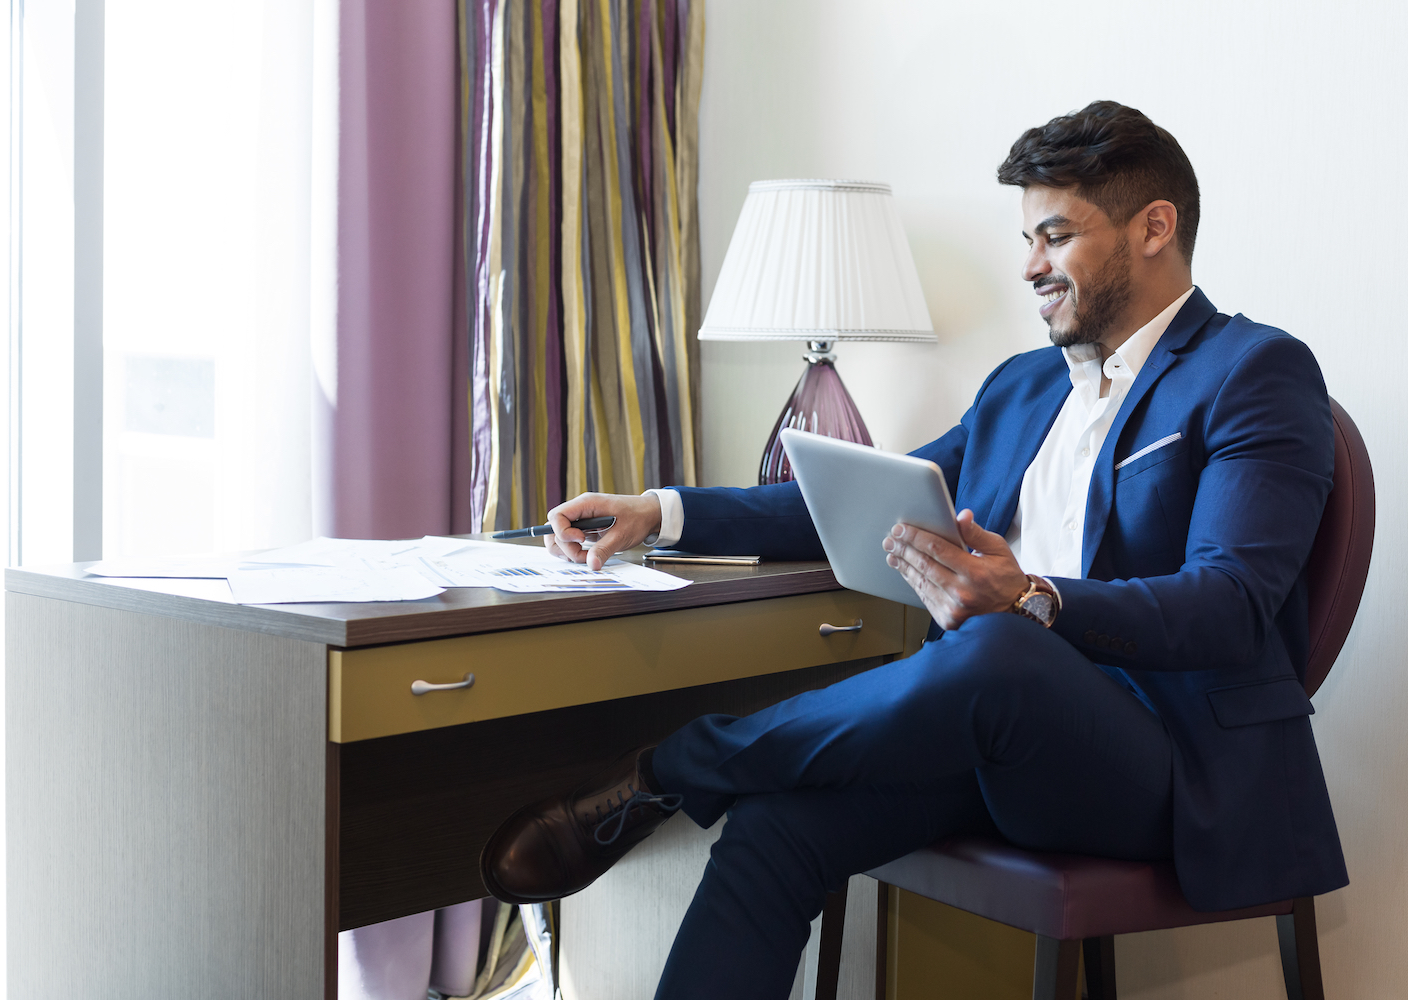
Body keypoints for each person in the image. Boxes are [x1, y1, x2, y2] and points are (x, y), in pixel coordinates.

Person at [479, 100, 1348, 999]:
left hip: (1171, 766)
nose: (1030, 267)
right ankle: (689, 777)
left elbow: (1232, 601)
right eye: (1027, 238)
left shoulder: (1254, 371)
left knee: (1004, 646)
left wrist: (1031, 599)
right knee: (777, 826)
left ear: (1154, 228)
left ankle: (670, 770)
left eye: (1054, 237)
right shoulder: (1021, 387)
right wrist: (660, 513)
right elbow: (850, 504)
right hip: (1000, 734)